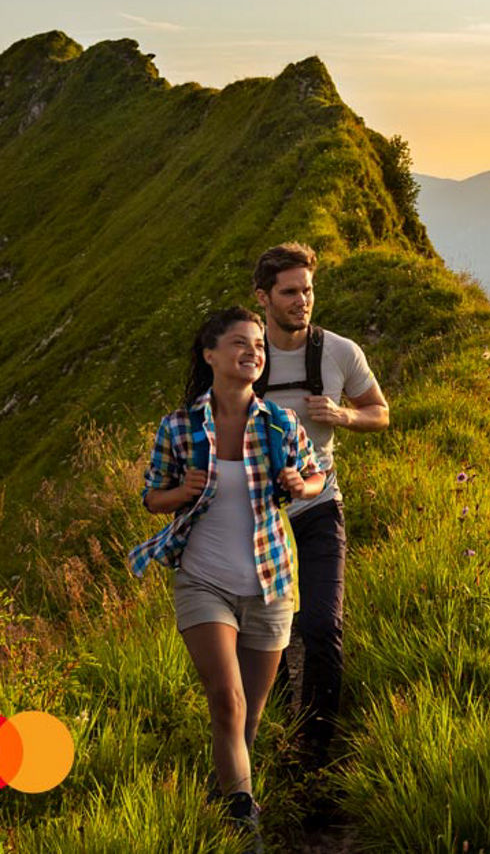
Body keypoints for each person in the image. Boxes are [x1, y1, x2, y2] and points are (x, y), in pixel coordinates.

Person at [129, 307, 324, 851]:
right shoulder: (180, 426)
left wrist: (299, 483)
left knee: (248, 718)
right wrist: (182, 491)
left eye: (259, 346)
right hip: (203, 581)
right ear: (210, 354)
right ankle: (247, 829)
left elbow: (315, 477)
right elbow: (152, 497)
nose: (253, 353)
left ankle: (226, 797)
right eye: (240, 343)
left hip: (271, 582)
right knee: (228, 701)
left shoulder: (281, 425)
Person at [250, 242, 389, 770]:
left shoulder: (339, 351)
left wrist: (342, 415)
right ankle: (280, 741)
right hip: (259, 518)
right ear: (263, 297)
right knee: (272, 636)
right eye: (290, 292)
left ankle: (318, 755)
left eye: (307, 290)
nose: (302, 301)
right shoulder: (245, 352)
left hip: (319, 508)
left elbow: (380, 411)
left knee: (323, 629)